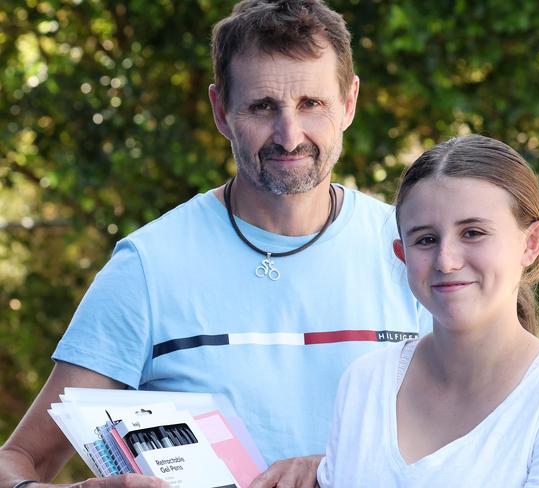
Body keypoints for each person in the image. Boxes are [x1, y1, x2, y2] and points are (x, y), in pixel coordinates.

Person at [0, 1, 429, 487]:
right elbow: (16, 461)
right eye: (262, 107)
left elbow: (490, 432)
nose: (289, 136)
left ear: (349, 104)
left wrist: (337, 467)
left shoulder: (417, 252)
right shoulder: (149, 268)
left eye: (312, 104)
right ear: (221, 111)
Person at [317, 134, 539, 487]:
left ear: (531, 243)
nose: (446, 261)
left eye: (473, 233)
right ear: (401, 253)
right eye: (425, 239)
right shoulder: (365, 383)